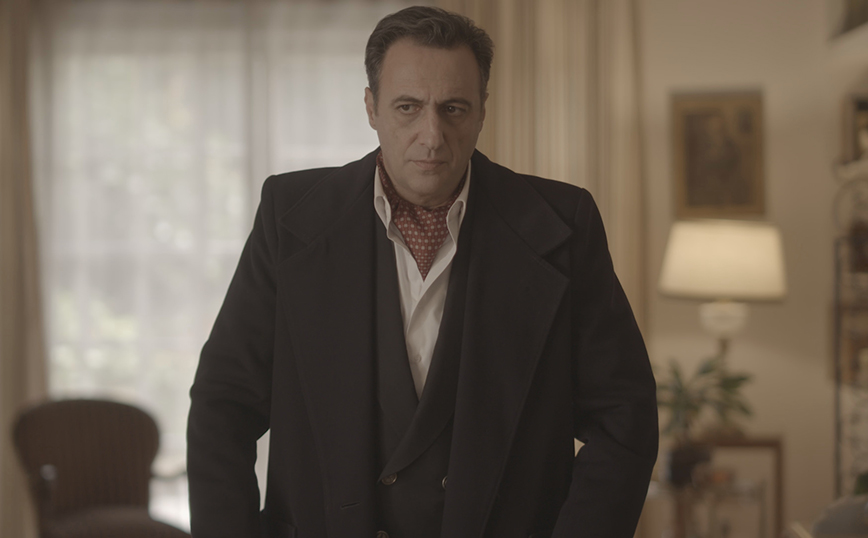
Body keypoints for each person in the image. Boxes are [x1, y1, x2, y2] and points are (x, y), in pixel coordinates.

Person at [187, 6, 658, 538]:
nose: (432, 136)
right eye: (407, 107)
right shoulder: (290, 216)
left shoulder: (562, 225)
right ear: (371, 106)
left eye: (453, 108)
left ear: (482, 111)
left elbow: (625, 417)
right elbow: (223, 405)